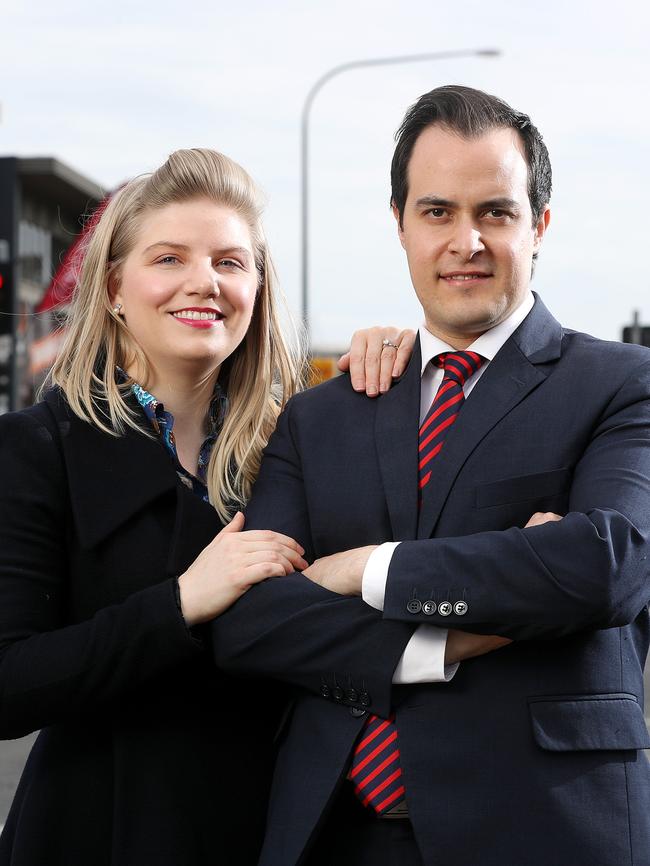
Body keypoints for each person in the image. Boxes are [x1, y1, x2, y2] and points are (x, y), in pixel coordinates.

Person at [211, 87, 650, 865]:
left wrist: (370, 570)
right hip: (331, 830)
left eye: (497, 213)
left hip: (543, 827)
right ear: (401, 223)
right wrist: (453, 635)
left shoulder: (622, 384)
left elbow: (605, 568)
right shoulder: (321, 416)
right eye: (439, 211)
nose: (467, 240)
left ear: (540, 225)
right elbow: (251, 624)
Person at [0, 147, 415, 866]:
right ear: (114, 289)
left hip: (278, 828)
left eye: (230, 261)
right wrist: (184, 600)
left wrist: (409, 368)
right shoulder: (37, 451)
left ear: (256, 287)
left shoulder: (302, 447)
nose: (205, 282)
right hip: (106, 832)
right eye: (169, 259)